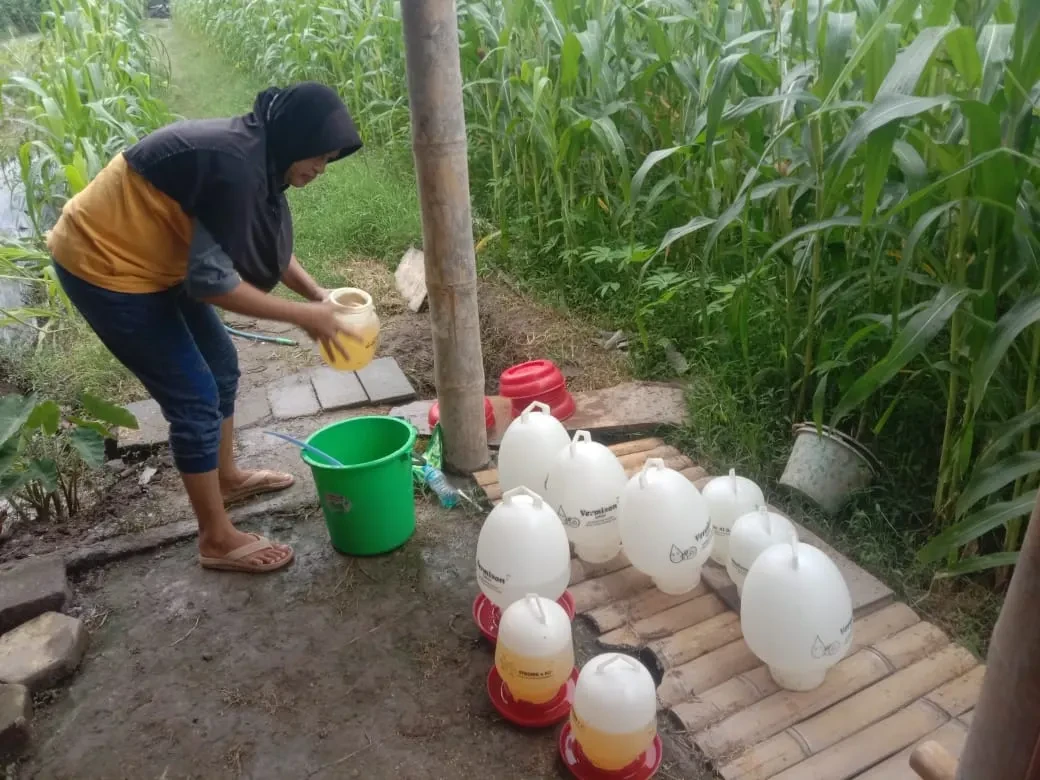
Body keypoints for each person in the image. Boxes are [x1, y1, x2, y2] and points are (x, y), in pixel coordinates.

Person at [47, 82, 365, 574]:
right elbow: (212, 286)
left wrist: (319, 296)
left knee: (221, 365)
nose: (321, 169)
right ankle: (215, 539)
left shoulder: (263, 155)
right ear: (296, 138)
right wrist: (306, 317)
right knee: (194, 398)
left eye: (329, 160)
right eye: (319, 157)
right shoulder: (235, 168)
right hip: (102, 263)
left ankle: (227, 477)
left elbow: (267, 246)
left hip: (155, 259)